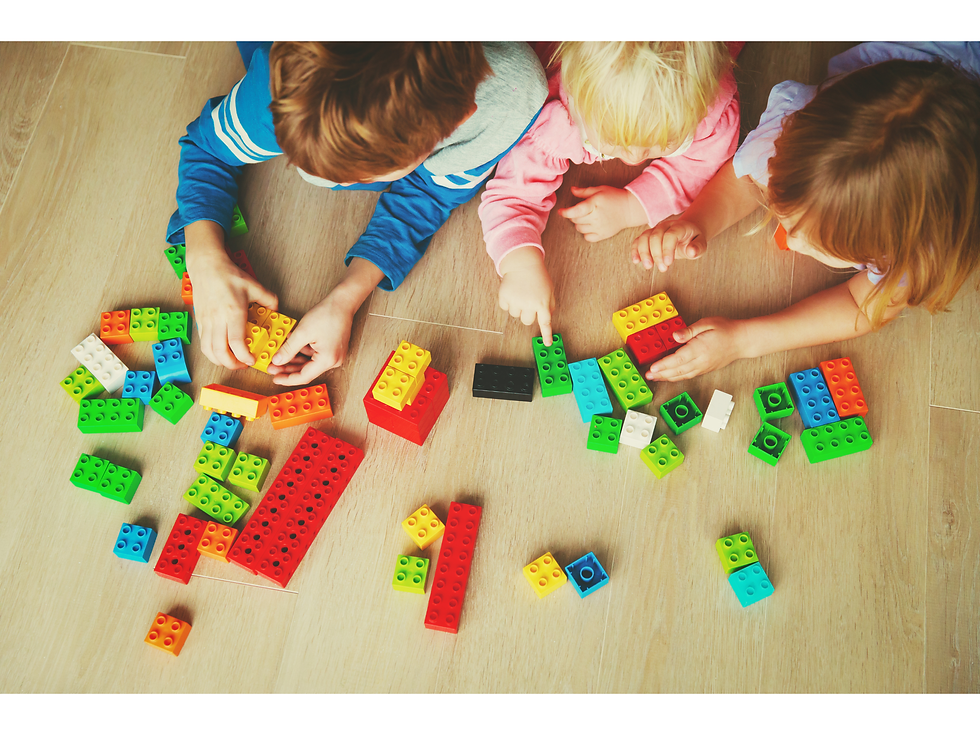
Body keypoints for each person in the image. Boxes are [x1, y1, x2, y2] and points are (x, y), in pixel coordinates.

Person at [168, 42, 547, 385]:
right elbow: (208, 148)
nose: (319, 179)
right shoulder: (283, 85)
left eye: (361, 176)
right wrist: (203, 259)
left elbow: (428, 194)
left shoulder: (507, 100)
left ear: (457, 118)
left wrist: (346, 297)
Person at [633, 42, 980, 382]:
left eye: (821, 242)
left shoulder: (918, 253)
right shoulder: (790, 128)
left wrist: (743, 341)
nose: (793, 241)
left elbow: (861, 307)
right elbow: (749, 176)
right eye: (786, 204)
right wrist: (696, 220)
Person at [478, 41, 742, 344]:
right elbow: (512, 195)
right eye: (612, 141)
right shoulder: (557, 115)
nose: (633, 158)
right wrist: (520, 264)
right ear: (576, 100)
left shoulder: (710, 108)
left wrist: (632, 206)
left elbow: (699, 166)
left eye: (665, 141)